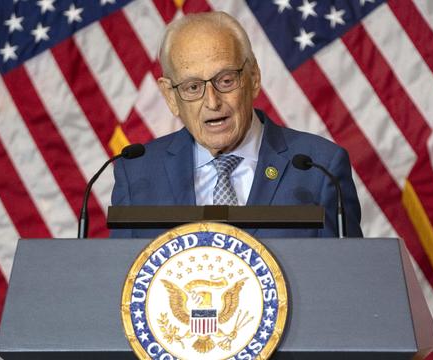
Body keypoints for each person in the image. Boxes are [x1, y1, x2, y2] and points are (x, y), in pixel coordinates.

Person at [111, 11, 363, 239]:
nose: (212, 101)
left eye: (226, 80)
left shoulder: (319, 168)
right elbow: (120, 280)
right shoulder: (137, 174)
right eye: (193, 87)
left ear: (253, 77)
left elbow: (346, 279)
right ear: (170, 96)